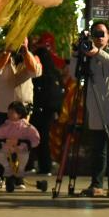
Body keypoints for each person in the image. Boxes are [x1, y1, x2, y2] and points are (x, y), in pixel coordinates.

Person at [70, 22, 109, 197]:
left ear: (108, 35)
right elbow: (74, 74)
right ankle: (96, 185)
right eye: (96, 34)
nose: (99, 37)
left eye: (102, 33)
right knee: (97, 150)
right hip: (95, 106)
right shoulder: (86, 53)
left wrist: (97, 53)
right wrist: (76, 54)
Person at [0, 41, 41, 179]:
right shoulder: (0, 56)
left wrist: (25, 52)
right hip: (3, 108)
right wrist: (7, 51)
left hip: (23, 110)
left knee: (22, 143)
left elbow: (35, 72)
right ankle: (0, 175)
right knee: (2, 143)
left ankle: (18, 176)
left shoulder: (32, 57)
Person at [30, 34, 65, 175]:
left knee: (32, 136)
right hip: (50, 109)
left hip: (39, 108)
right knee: (44, 138)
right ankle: (45, 165)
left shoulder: (39, 74)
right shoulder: (54, 73)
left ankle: (32, 164)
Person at [0, 102, 41, 192]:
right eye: (8, 112)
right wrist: (1, 140)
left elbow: (35, 138)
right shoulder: (5, 126)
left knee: (23, 156)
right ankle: (7, 169)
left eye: (12, 112)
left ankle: (19, 175)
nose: (9, 114)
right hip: (8, 149)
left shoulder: (26, 127)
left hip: (21, 149)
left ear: (19, 114)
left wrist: (26, 143)